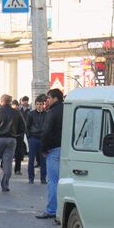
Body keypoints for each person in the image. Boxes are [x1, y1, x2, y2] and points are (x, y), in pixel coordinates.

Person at [0, 94, 25, 192]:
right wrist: (15, 133)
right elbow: (23, 127)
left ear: (1, 100)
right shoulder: (17, 113)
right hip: (11, 139)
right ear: (10, 102)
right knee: (8, 162)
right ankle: (5, 184)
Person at [36, 89, 64, 220]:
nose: (46, 100)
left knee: (53, 181)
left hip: (53, 149)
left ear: (55, 98)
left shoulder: (52, 112)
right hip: (66, 149)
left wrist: (43, 148)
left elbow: (46, 132)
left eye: (48, 98)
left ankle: (52, 209)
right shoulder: (67, 109)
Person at [26, 95, 47, 184]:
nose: (39, 106)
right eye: (37, 104)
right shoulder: (31, 114)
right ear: (35, 105)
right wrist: (29, 137)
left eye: (41, 104)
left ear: (43, 105)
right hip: (33, 138)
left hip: (42, 139)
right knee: (31, 159)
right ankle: (31, 178)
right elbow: (27, 127)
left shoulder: (47, 114)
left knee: (43, 161)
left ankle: (43, 178)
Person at [10, 99, 27, 174]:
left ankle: (17, 169)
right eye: (13, 105)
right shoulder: (10, 113)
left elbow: (23, 125)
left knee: (18, 154)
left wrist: (20, 133)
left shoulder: (19, 113)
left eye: (15, 105)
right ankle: (3, 165)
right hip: (12, 136)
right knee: (8, 153)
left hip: (17, 136)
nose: (14, 107)